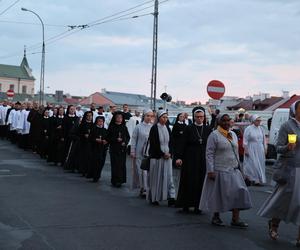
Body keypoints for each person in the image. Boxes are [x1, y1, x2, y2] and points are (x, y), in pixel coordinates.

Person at [258, 101, 300, 246]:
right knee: (283, 200)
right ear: (295, 111)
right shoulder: (287, 126)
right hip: (290, 169)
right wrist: (288, 147)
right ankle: (274, 223)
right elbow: (278, 148)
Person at [199, 114, 252, 228]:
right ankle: (216, 216)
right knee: (218, 194)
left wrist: (240, 168)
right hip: (220, 169)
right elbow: (209, 154)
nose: (227, 123)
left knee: (239, 192)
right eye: (224, 121)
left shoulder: (232, 134)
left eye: (228, 120)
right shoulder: (214, 135)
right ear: (219, 122)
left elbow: (236, 152)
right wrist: (210, 170)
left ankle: (235, 219)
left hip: (233, 168)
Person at [175, 107, 211, 214]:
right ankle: (185, 204)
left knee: (200, 182)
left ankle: (198, 206)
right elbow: (182, 144)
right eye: (197, 117)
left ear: (204, 117)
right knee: (188, 180)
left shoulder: (208, 129)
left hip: (202, 159)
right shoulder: (188, 128)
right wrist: (179, 157)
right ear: (194, 117)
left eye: (201, 117)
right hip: (189, 158)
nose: (200, 119)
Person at [148, 110, 176, 206]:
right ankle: (154, 198)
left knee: (169, 177)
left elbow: (171, 142)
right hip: (157, 157)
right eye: (163, 117)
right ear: (159, 118)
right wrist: (162, 153)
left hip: (168, 156)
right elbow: (154, 144)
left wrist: (170, 153)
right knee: (156, 177)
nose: (165, 119)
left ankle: (171, 197)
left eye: (166, 117)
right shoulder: (154, 128)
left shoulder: (168, 128)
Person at [130, 109, 153, 197]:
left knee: (147, 172)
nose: (149, 118)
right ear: (144, 116)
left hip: (148, 153)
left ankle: (146, 188)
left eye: (151, 116)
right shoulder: (138, 127)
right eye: (148, 116)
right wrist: (132, 151)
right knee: (140, 171)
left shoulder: (152, 127)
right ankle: (142, 188)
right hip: (139, 152)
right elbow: (134, 139)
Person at [107, 111, 130, 187]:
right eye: (117, 117)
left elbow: (128, 137)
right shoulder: (111, 127)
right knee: (115, 165)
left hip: (122, 149)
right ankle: (115, 180)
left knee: (121, 165)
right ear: (115, 118)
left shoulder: (124, 127)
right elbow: (108, 138)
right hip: (114, 148)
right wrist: (116, 139)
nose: (119, 119)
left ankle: (121, 180)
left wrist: (125, 142)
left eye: (120, 117)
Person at [243, 115, 267, 185]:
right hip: (251, 148)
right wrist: (246, 149)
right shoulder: (248, 129)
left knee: (260, 163)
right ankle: (252, 178)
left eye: (260, 120)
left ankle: (259, 179)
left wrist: (265, 148)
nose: (259, 122)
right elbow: (245, 140)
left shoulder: (261, 129)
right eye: (257, 120)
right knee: (252, 163)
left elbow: (264, 139)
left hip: (260, 148)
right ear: (254, 121)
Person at [89, 116, 109, 182]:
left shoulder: (105, 130)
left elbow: (107, 139)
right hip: (95, 148)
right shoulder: (93, 129)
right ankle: (95, 176)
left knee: (101, 163)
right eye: (99, 121)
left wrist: (105, 141)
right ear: (96, 122)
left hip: (103, 149)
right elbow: (90, 138)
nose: (100, 123)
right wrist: (95, 139)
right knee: (95, 163)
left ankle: (98, 175)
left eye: (102, 121)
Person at [78, 111, 94, 176]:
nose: (89, 117)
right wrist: (84, 135)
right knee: (83, 157)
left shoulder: (93, 125)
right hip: (83, 143)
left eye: (90, 115)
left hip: (90, 144)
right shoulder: (82, 124)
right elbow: (79, 133)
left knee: (89, 158)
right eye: (88, 115)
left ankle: (88, 170)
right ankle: (82, 170)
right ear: (86, 116)